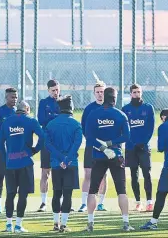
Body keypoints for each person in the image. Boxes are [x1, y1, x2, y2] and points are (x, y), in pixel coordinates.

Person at [84, 87, 134, 232]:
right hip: (116, 155)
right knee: (122, 190)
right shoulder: (120, 115)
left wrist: (103, 148)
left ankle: (90, 223)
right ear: (115, 98)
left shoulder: (93, 114)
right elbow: (126, 137)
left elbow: (89, 137)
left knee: (92, 190)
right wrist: (110, 144)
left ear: (103, 97)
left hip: (98, 156)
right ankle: (125, 223)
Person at [0, 101, 45, 233]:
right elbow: (43, 137)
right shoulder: (30, 120)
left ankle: (8, 225)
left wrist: (6, 157)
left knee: (10, 194)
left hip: (10, 163)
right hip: (25, 162)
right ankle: (18, 225)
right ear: (27, 109)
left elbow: (0, 143)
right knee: (23, 194)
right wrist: (35, 150)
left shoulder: (6, 122)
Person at [46, 95, 82, 233]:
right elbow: (77, 143)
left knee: (56, 193)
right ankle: (64, 225)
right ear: (71, 107)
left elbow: (48, 144)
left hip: (56, 163)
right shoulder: (76, 124)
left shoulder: (50, 124)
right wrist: (66, 159)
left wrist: (60, 159)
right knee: (68, 194)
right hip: (71, 163)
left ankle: (55, 223)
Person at [122, 84, 155, 212]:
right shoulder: (125, 109)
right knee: (133, 175)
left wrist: (143, 142)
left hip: (144, 147)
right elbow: (125, 129)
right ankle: (137, 202)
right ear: (130, 94)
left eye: (139, 92)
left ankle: (149, 202)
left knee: (147, 174)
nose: (137, 94)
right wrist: (132, 143)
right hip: (131, 147)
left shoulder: (148, 108)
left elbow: (150, 127)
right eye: (134, 92)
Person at [78, 81, 108, 213]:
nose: (100, 94)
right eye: (98, 92)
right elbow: (83, 127)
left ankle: (101, 203)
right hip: (91, 146)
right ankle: (84, 203)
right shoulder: (89, 109)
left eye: (102, 92)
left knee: (103, 175)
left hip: (105, 146)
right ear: (94, 93)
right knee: (88, 174)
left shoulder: (110, 108)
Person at [0, 87, 18, 213]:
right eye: (12, 97)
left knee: (12, 177)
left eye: (16, 97)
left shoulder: (18, 113)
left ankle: (10, 203)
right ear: (6, 97)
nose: (15, 99)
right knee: (0, 176)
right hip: (2, 150)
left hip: (15, 151)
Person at [37, 79, 61, 212]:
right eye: (53, 90)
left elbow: (66, 118)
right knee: (45, 172)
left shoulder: (64, 102)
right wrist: (55, 117)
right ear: (48, 90)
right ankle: (43, 202)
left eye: (57, 90)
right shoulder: (43, 103)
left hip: (60, 142)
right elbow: (41, 120)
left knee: (60, 171)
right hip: (47, 141)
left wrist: (52, 116)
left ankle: (60, 201)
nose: (56, 93)